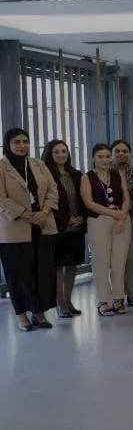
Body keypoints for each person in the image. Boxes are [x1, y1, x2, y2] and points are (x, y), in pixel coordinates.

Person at [0, 128, 59, 331]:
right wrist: (26, 214)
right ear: (7, 144)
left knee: (41, 272)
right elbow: (1, 198)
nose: (22, 145)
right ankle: (21, 315)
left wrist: (44, 211)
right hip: (14, 228)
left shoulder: (38, 164)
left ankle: (39, 313)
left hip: (42, 225)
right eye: (16, 142)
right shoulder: (1, 167)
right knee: (18, 274)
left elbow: (53, 189)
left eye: (25, 141)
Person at [80, 142, 132, 316]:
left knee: (119, 263)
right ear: (93, 159)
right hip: (98, 220)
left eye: (108, 156)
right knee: (101, 262)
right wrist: (113, 213)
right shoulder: (87, 177)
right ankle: (103, 300)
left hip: (121, 220)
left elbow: (126, 198)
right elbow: (89, 203)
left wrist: (122, 216)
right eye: (100, 157)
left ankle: (118, 299)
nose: (105, 160)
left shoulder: (117, 174)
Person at [43, 139, 85, 319]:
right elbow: (49, 202)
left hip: (77, 226)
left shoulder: (76, 174)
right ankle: (60, 304)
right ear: (49, 154)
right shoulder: (46, 175)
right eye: (56, 152)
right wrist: (67, 220)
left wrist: (81, 217)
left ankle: (68, 301)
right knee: (59, 266)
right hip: (58, 227)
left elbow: (83, 199)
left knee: (72, 265)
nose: (61, 155)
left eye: (64, 151)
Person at [112, 140, 133, 307]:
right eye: (117, 151)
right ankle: (116, 295)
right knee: (114, 259)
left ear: (130, 153)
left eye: (125, 151)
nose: (121, 154)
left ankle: (132, 294)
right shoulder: (105, 172)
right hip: (111, 219)